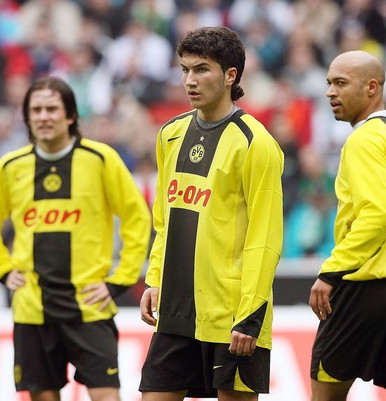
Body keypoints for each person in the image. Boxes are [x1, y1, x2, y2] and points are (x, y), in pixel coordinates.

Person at [0, 76, 152, 401]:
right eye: (36, 109)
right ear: (26, 118)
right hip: (32, 306)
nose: (44, 116)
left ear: (70, 116)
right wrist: (2, 268)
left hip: (90, 304)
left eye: (52, 108)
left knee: (107, 395)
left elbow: (137, 217)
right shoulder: (10, 167)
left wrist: (120, 279)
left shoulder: (100, 159)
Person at [138, 26, 284, 401]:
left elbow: (265, 238)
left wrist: (250, 315)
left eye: (201, 69)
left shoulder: (256, 143)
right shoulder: (170, 134)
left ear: (230, 75)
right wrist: (154, 279)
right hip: (175, 312)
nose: (189, 80)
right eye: (185, 70)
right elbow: (163, 220)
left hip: (231, 316)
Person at [309, 50, 386, 401]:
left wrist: (332, 270)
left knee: (325, 394)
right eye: (328, 83)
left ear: (371, 87)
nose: (330, 92)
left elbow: (377, 214)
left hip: (366, 285)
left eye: (340, 83)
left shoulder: (364, 139)